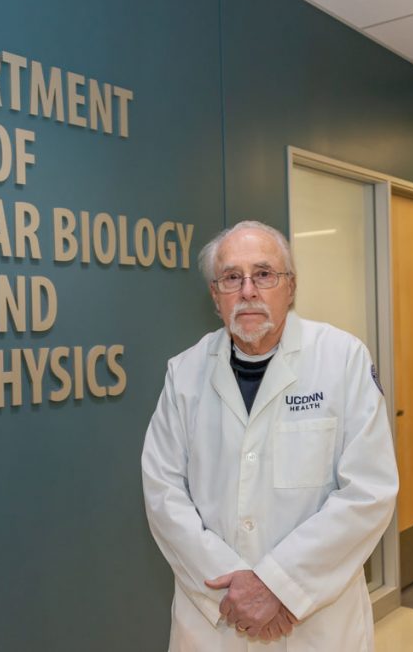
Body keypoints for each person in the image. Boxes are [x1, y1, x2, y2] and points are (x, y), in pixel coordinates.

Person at [141, 220, 398, 651]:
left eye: (264, 274)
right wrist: (238, 591)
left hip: (314, 619)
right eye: (231, 278)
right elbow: (164, 493)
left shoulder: (343, 359)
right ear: (215, 295)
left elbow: (369, 491)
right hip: (216, 617)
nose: (248, 291)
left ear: (290, 286)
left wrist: (278, 585)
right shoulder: (184, 373)